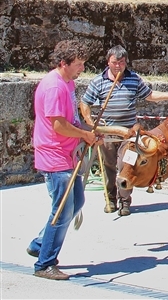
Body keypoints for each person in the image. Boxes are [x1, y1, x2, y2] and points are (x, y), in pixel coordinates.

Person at [80, 45, 168, 216]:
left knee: (126, 165)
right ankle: (111, 199)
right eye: (115, 62)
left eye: (122, 62)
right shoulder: (98, 81)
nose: (118, 66)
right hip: (108, 132)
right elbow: (85, 103)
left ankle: (125, 202)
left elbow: (149, 95)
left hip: (129, 135)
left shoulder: (133, 79)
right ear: (108, 62)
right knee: (109, 167)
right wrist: (91, 122)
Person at [29, 40, 98, 280]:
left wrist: (84, 133)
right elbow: (58, 125)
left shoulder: (68, 83)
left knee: (76, 202)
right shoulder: (54, 87)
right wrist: (83, 135)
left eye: (83, 64)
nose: (82, 68)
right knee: (62, 211)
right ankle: (45, 263)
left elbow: (70, 118)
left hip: (67, 154)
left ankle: (40, 243)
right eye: (78, 64)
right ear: (63, 63)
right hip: (53, 155)